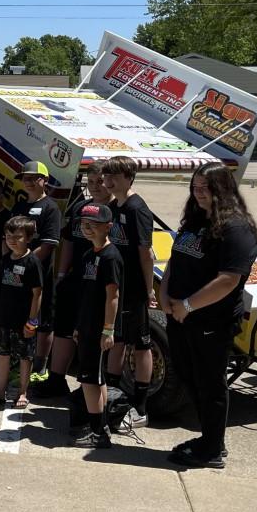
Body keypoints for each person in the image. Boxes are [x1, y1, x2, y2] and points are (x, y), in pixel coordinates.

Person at [160, 163, 257, 469]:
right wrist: (164, 294)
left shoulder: (236, 228)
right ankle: (210, 439)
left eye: (206, 188)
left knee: (211, 384)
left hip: (210, 321)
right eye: (195, 187)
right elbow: (175, 262)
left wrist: (188, 305)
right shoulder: (194, 220)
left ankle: (212, 449)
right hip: (180, 316)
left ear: (223, 189)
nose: (199, 194)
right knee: (189, 376)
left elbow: (229, 279)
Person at [36, 163, 112, 401]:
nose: (96, 187)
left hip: (98, 283)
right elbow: (68, 240)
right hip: (74, 278)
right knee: (64, 329)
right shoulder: (81, 208)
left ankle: (89, 385)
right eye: (91, 183)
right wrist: (61, 274)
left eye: (100, 182)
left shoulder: (115, 212)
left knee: (90, 334)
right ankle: (56, 379)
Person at [102, 155, 157, 427]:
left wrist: (149, 289)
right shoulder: (114, 205)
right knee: (117, 340)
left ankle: (140, 406)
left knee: (140, 344)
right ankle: (111, 396)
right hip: (117, 285)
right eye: (106, 176)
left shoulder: (137, 209)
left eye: (114, 176)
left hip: (135, 288)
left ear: (128, 177)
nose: (108, 181)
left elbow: (146, 253)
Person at [70, 202, 123, 449]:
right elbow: (85, 295)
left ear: (108, 227)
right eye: (84, 224)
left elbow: (113, 295)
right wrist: (79, 325)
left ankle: (98, 432)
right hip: (87, 326)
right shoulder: (89, 255)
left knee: (90, 380)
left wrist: (108, 329)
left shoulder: (110, 257)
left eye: (93, 225)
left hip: (100, 329)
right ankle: (99, 426)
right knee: (95, 380)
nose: (87, 228)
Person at [0, 215, 43, 409]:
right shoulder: (4, 260)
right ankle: (0, 391)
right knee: (2, 355)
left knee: (24, 357)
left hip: (23, 322)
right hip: (4, 318)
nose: (12, 240)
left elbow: (37, 294)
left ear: (28, 238)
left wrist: (32, 321)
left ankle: (22, 392)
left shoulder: (32, 262)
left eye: (18, 236)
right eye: (9, 235)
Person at [17, 161, 62, 385]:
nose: (28, 181)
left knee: (43, 321)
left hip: (40, 274)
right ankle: (21, 359)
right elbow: (9, 237)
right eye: (25, 178)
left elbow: (48, 244)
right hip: (17, 274)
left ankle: (40, 365)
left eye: (33, 178)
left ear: (44, 180)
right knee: (22, 316)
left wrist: (26, 262)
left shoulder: (51, 208)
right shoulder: (19, 206)